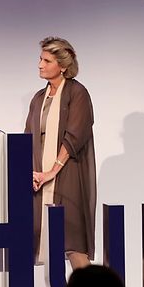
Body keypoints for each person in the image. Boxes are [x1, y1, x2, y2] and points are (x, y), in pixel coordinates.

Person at [24, 36, 96, 270]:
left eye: (46, 60)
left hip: (68, 174)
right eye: (40, 59)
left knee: (72, 239)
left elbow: (75, 136)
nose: (40, 64)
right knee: (43, 237)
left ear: (62, 66)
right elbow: (28, 136)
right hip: (39, 177)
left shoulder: (77, 93)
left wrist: (53, 171)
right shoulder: (38, 98)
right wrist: (33, 172)